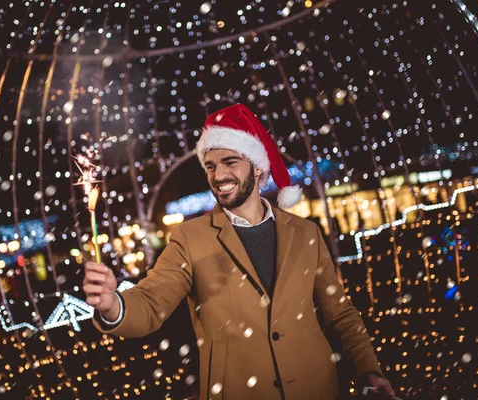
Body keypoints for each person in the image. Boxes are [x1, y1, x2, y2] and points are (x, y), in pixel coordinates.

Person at [83, 104, 395, 399]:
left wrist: (368, 369)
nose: (218, 176)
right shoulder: (189, 238)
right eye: (210, 166)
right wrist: (113, 306)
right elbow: (150, 304)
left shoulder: (305, 233)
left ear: (257, 167)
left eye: (230, 162)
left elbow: (340, 314)